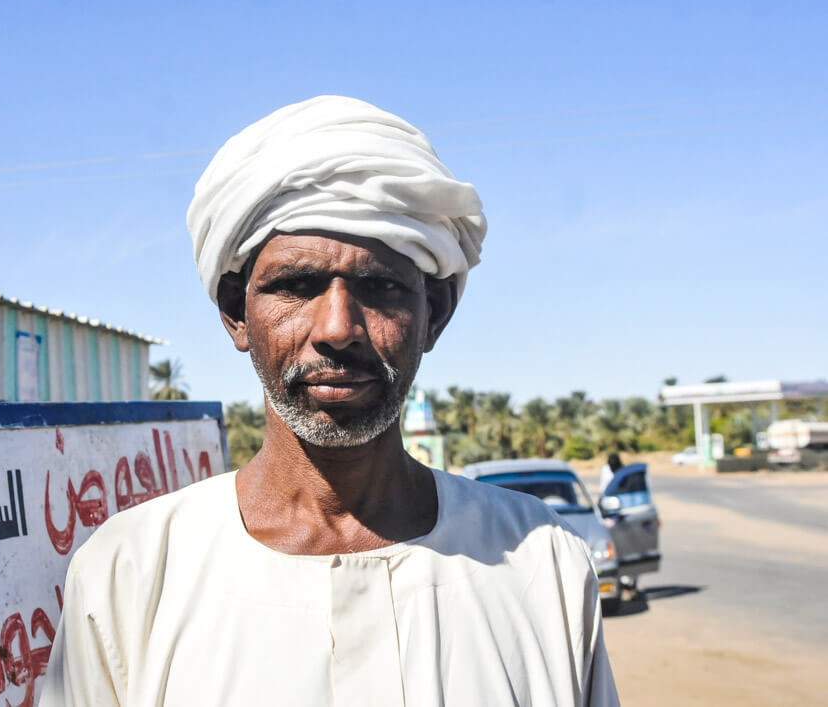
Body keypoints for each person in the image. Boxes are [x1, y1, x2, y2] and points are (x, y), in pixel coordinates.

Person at [40, 96, 619, 706]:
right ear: (238, 314)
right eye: (297, 285)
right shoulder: (130, 574)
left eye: (379, 287)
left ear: (435, 316)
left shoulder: (543, 566)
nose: (338, 327)